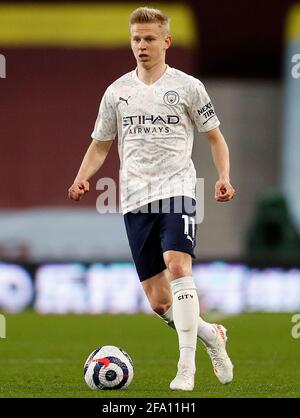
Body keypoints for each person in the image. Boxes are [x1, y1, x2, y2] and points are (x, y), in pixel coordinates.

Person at [68, 6, 236, 391]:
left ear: (166, 41)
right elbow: (99, 146)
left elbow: (215, 138)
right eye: (136, 39)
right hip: (135, 199)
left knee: (179, 268)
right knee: (160, 303)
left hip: (178, 190)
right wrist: (81, 179)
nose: (141, 46)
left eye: (149, 39)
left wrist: (224, 176)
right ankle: (212, 334)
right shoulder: (117, 92)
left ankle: (186, 368)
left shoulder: (189, 87)